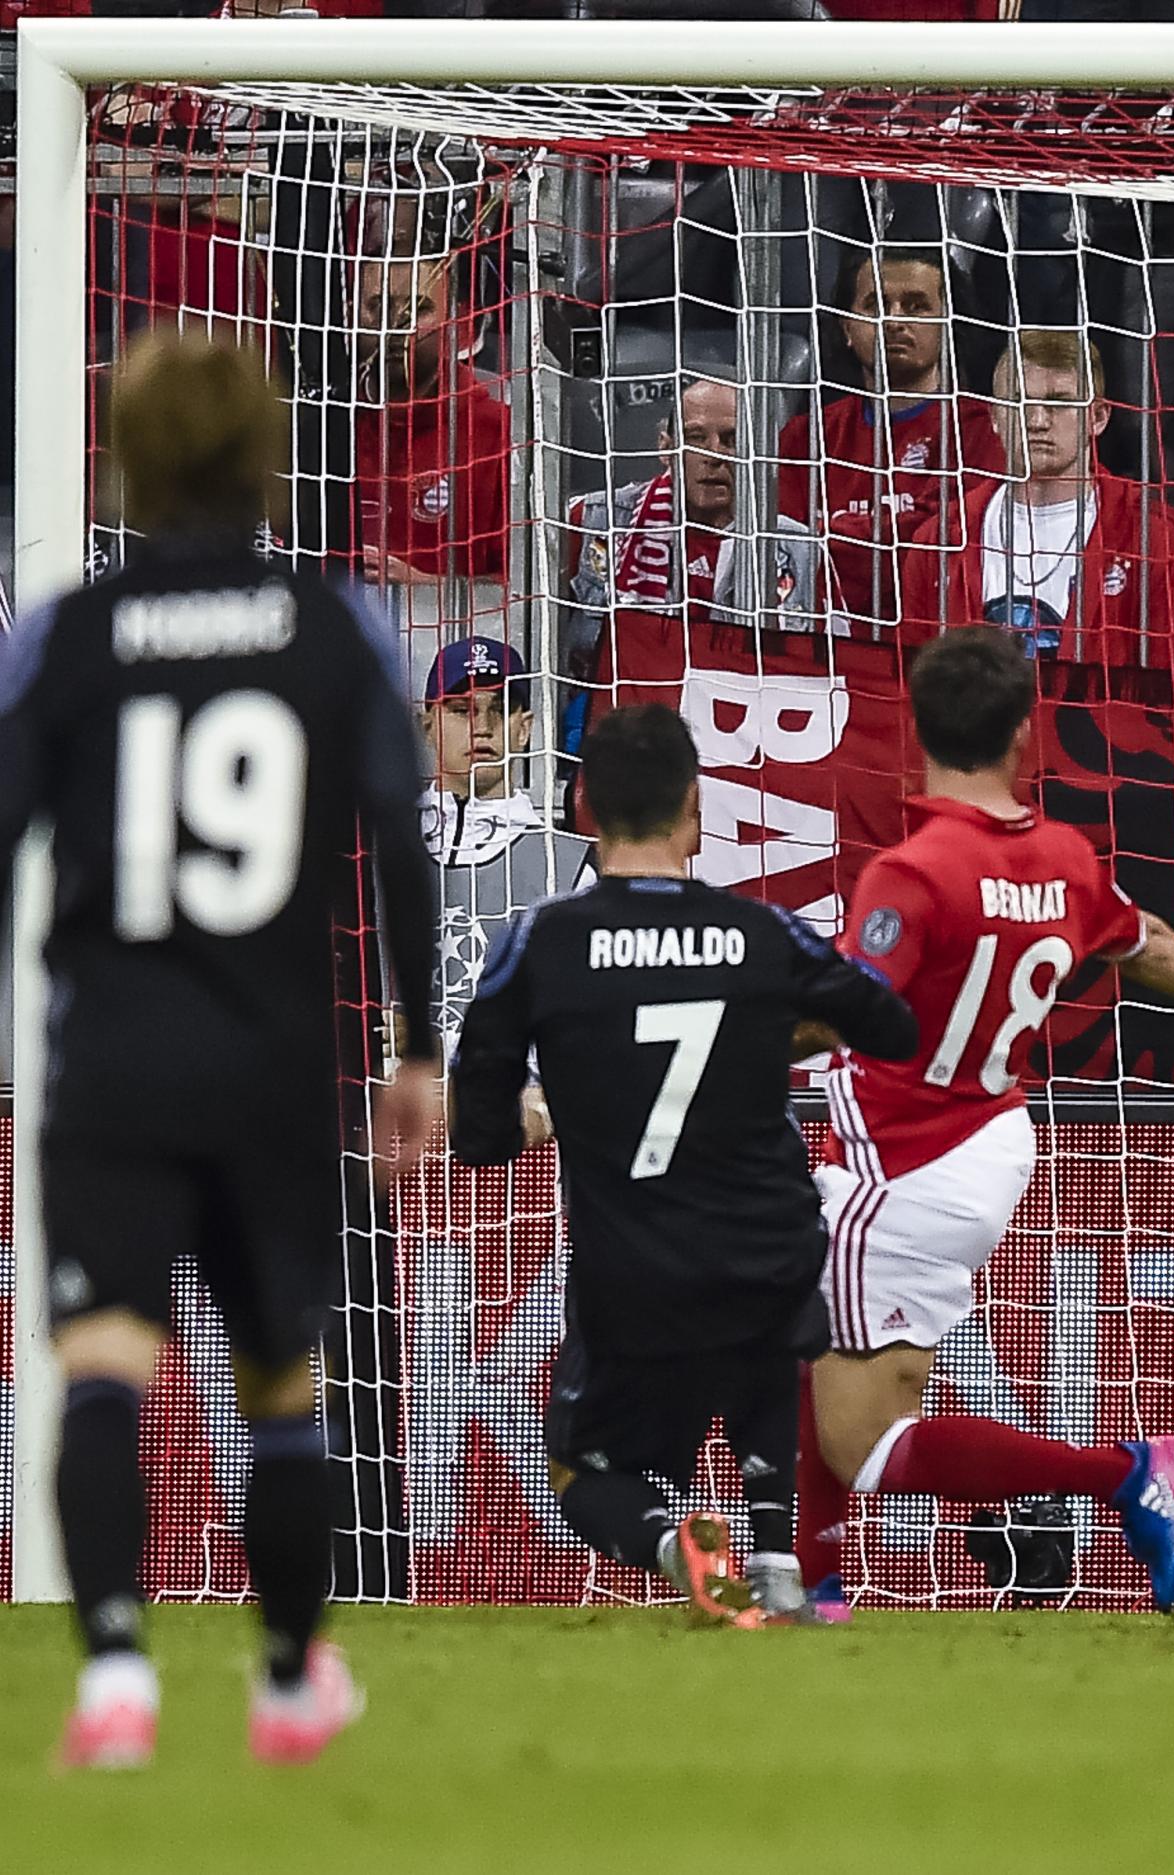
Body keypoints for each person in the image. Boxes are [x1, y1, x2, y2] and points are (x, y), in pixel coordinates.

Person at [0, 330, 442, 1767]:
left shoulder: (63, 630)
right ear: (263, 454)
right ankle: (288, 1672)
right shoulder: (334, 623)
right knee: (278, 1382)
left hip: (110, 1061)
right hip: (270, 1064)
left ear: (128, 456)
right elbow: (397, 837)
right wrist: (417, 1043)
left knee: (104, 1357)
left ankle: (117, 1673)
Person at [797, 626, 1174, 1615]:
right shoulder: (1063, 857)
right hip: (991, 1130)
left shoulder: (915, 870)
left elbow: (846, 1007)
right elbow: (1138, 938)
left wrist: (710, 1045)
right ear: (1025, 733)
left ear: (916, 730)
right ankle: (813, 1584)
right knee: (798, 1326)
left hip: (905, 1157)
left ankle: (1124, 1475)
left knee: (865, 1443)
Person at [447, 706, 918, 1626]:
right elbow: (891, 1024)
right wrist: (771, 1029)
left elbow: (479, 1136)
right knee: (769, 1343)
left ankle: (673, 1540)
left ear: (583, 805)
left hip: (632, 1271)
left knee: (583, 1471)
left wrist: (551, 1111)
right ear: (694, 808)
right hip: (766, 1254)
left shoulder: (537, 945)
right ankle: (778, 1559)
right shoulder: (764, 933)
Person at [900, 328, 1174, 668]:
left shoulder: (1159, 538)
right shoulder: (940, 538)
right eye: (1020, 402)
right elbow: (912, 689)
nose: (1037, 421)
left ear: (1098, 417)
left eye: (1059, 403)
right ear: (994, 418)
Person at [775, 245, 1005, 636]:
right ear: (847, 328)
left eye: (916, 306)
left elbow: (943, 546)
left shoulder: (987, 430)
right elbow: (786, 552)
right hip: (824, 650)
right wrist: (897, 532)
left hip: (936, 650)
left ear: (948, 325)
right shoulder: (805, 437)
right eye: (876, 305)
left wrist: (830, 533)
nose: (894, 320)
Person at [568, 374, 834, 684]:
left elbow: (819, 674)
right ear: (665, 448)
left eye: (731, 440)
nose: (714, 455)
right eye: (696, 438)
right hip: (616, 720)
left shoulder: (799, 549)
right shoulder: (594, 520)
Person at [417, 637, 591, 1045]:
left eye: (500, 708)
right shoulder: (372, 851)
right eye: (461, 710)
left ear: (525, 727)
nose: (483, 725)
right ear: (427, 725)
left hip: (513, 1105)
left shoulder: (566, 868)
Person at [349, 247, 510, 592]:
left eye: (418, 309)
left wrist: (426, 589)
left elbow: (520, 586)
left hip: (457, 639)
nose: (394, 325)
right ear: (350, 314)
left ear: (456, 322)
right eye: (377, 307)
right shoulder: (319, 424)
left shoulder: (500, 433)